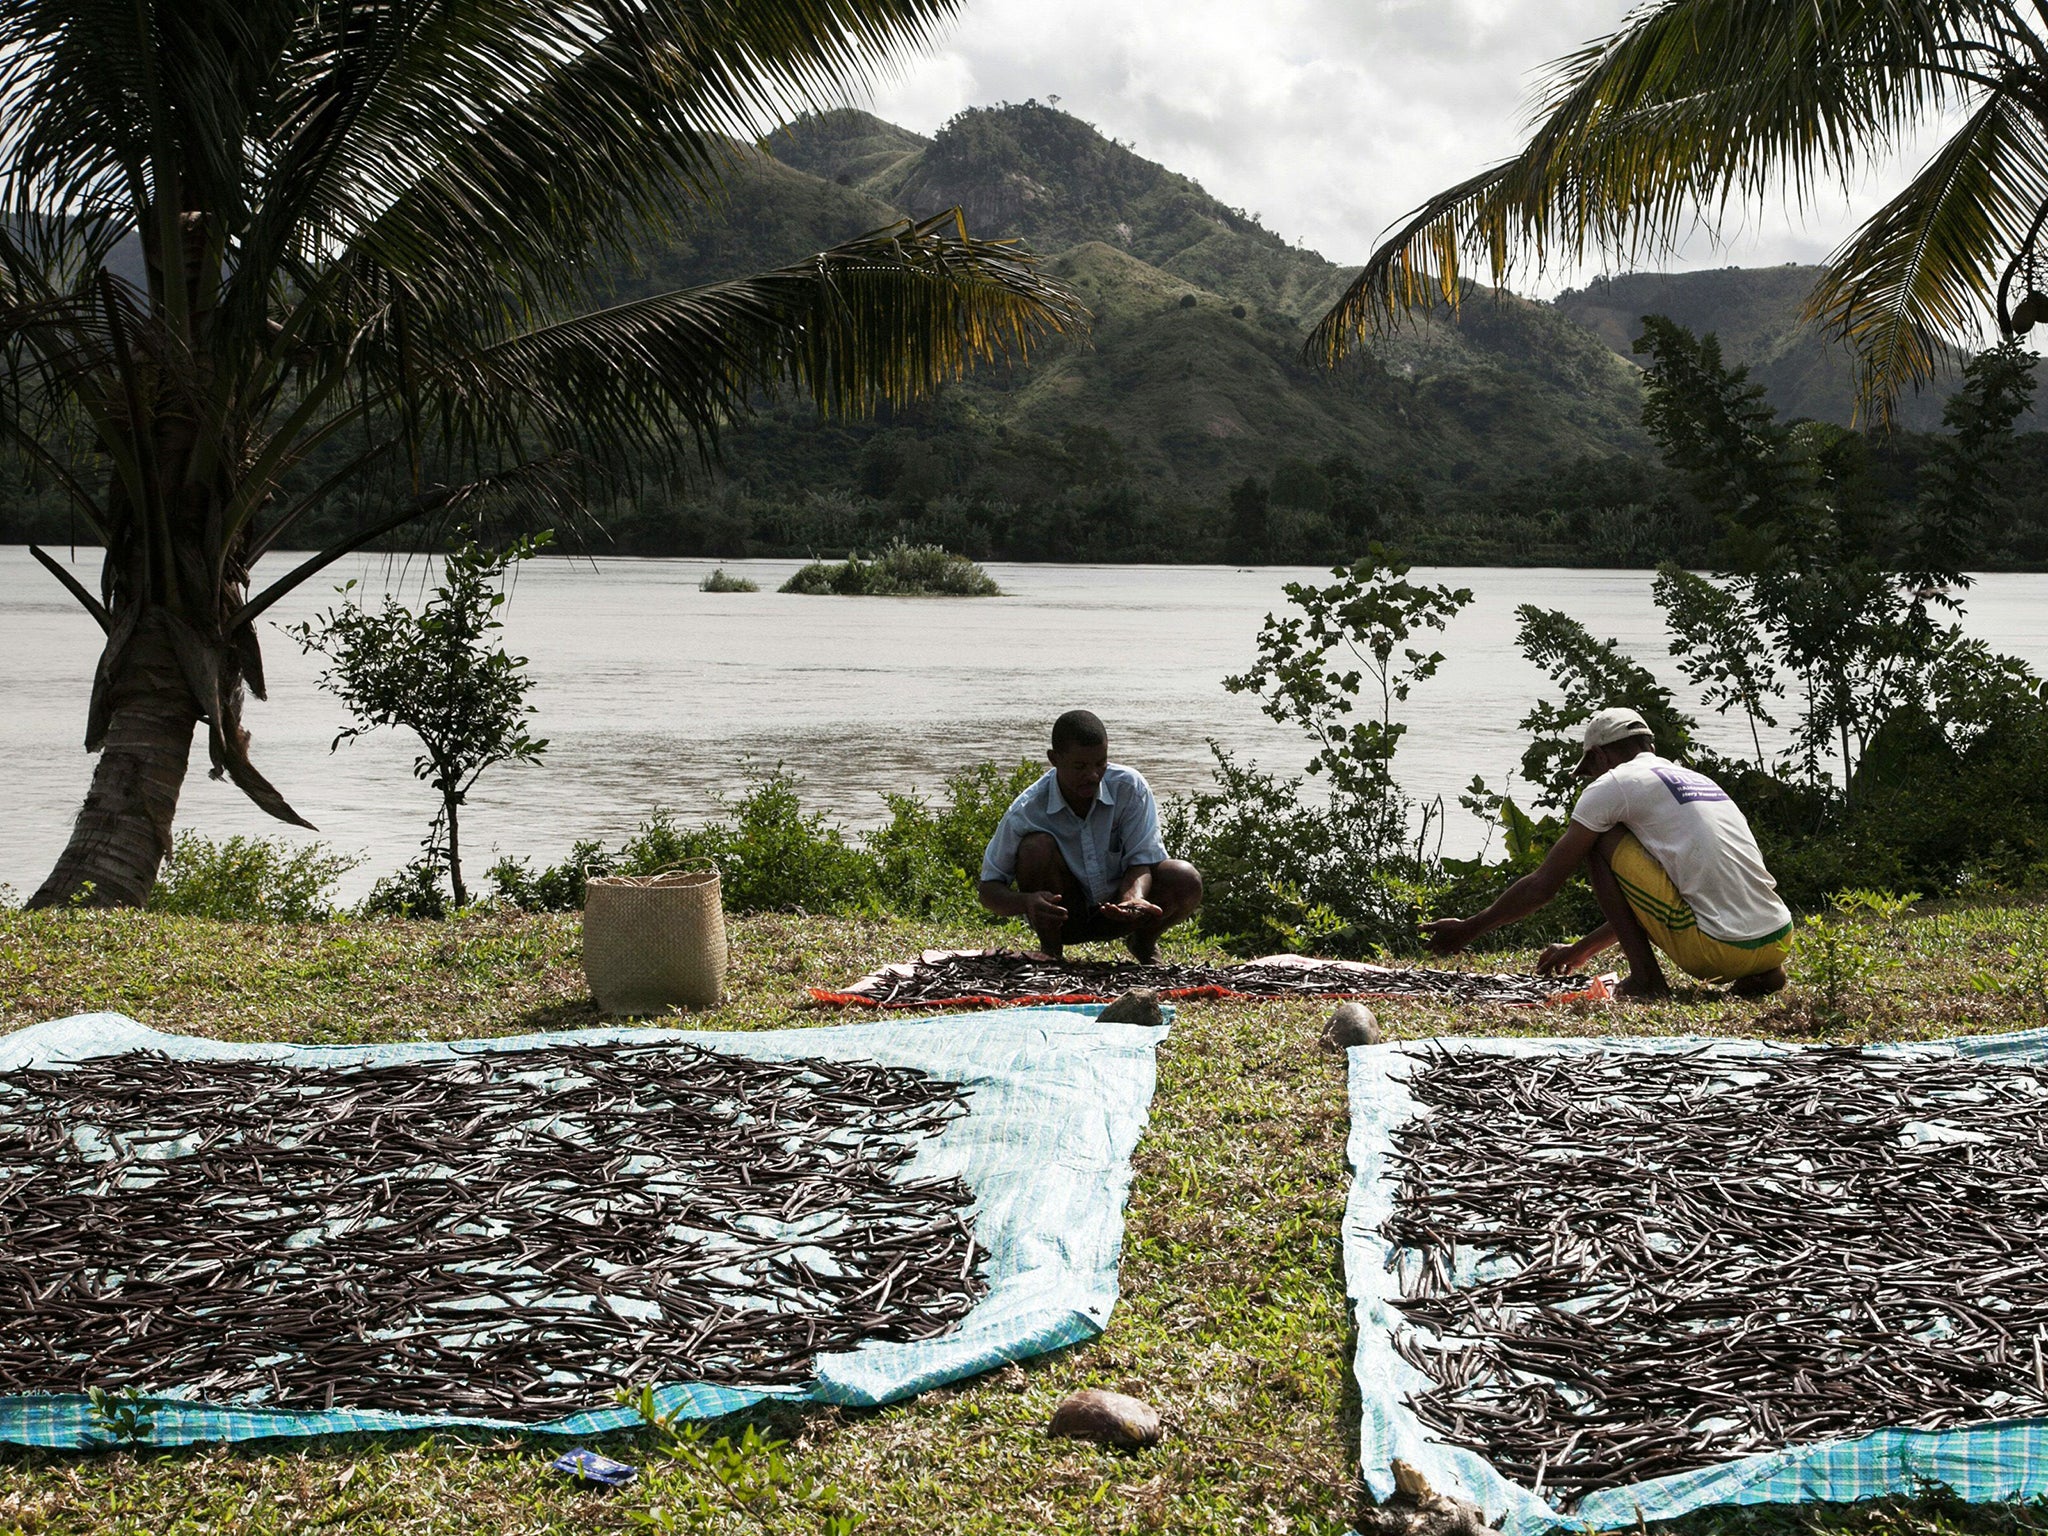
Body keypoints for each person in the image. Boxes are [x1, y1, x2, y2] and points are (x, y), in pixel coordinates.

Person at [1423, 706, 1793, 998]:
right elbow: (1653, 900)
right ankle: (1761, 971)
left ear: (1599, 757)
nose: (1591, 779)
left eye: (1589, 770)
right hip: (1778, 940)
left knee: (1598, 838)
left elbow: (1543, 886)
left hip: (1714, 951)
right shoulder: (1697, 780)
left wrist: (1468, 929)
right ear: (1648, 746)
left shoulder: (1613, 784)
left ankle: (1646, 980)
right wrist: (1583, 949)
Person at [978, 710, 1203, 962]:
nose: (1093, 775)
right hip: (1064, 917)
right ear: (1054, 759)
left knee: (1185, 877)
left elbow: (1142, 860)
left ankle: (1143, 941)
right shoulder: (1027, 811)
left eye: (1100, 763)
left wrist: (1133, 898)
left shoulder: (1129, 788)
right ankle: (1051, 950)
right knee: (1035, 847)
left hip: (1121, 914)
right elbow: (988, 889)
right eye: (1080, 766)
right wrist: (1026, 902)